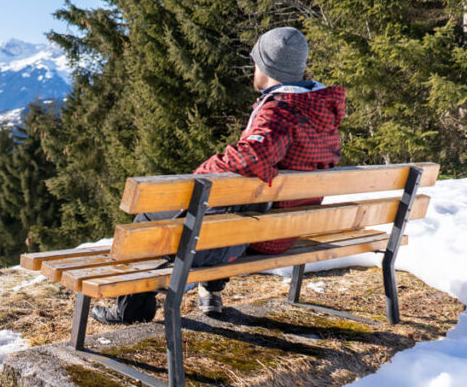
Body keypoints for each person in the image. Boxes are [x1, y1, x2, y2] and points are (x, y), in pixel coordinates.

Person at [90, 27, 345, 325]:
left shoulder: (282, 111)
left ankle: (131, 310)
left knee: (150, 222)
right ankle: (210, 292)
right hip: (285, 229)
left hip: (258, 236)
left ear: (266, 67)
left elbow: (253, 156)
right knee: (227, 206)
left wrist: (202, 174)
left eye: (255, 62)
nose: (254, 69)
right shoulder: (320, 110)